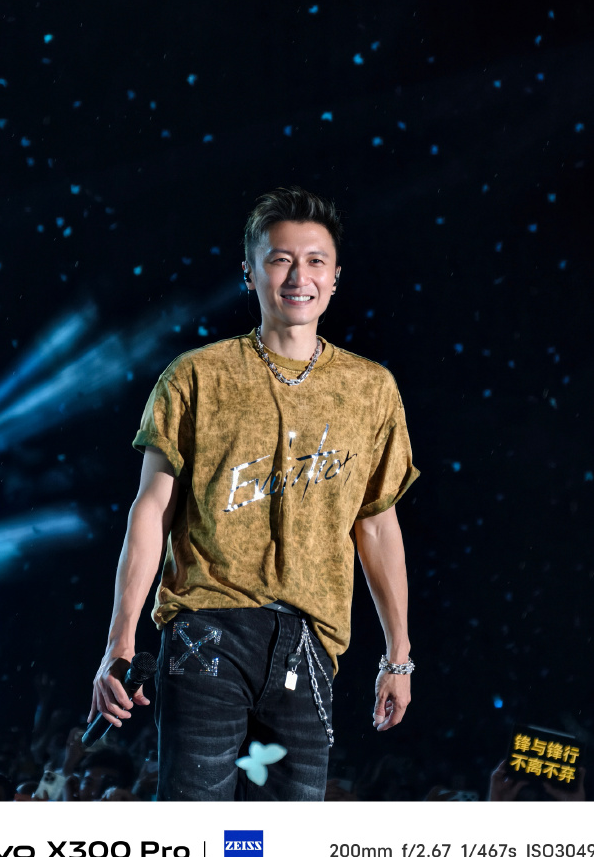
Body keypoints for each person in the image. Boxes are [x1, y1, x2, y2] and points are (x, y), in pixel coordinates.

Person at [89, 186, 420, 800]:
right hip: (207, 633)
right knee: (200, 836)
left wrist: (397, 656)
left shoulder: (371, 390)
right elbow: (152, 508)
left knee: (282, 848)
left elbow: (377, 524)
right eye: (280, 259)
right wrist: (120, 639)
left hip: (311, 646)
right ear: (249, 271)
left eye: (315, 261)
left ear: (335, 277)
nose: (298, 276)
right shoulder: (196, 376)